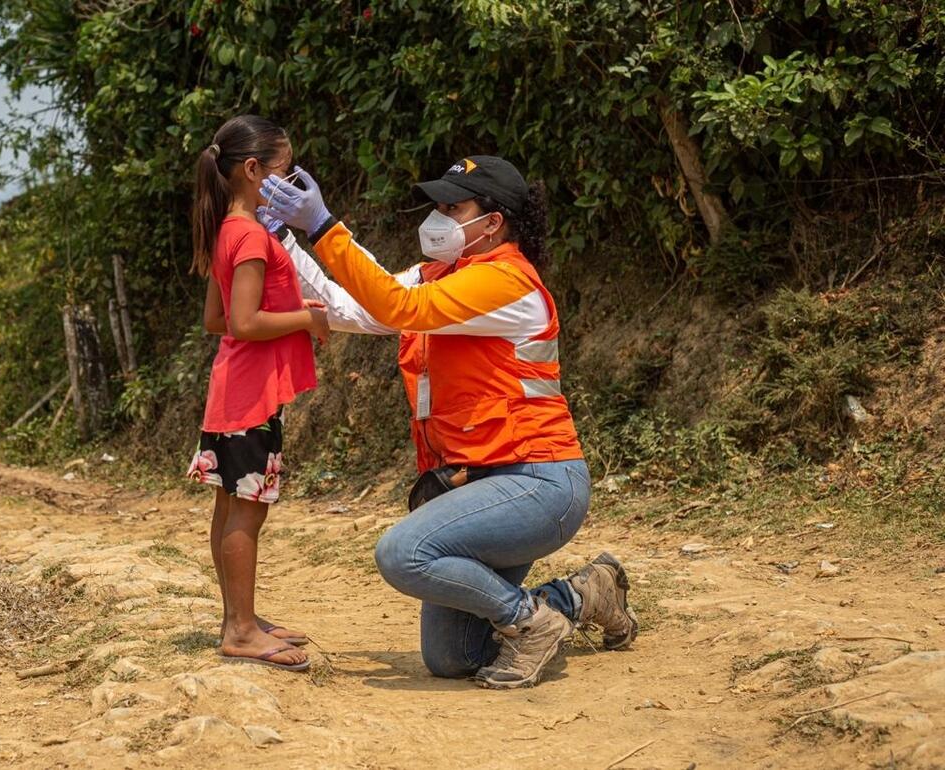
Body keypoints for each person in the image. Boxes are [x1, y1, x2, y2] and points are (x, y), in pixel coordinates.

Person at [260, 156, 637, 689]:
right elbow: (353, 307)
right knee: (453, 656)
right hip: (484, 484)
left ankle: (530, 622)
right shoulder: (439, 277)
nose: (438, 218)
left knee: (401, 554)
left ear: (493, 222)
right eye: (438, 205)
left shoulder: (506, 282)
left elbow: (398, 307)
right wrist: (286, 241)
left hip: (540, 482)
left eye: (453, 207)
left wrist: (322, 225)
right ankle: (581, 595)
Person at [186, 115, 329, 672]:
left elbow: (215, 318)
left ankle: (238, 618)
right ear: (252, 170)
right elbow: (243, 322)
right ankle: (241, 630)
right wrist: (306, 319)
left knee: (231, 505)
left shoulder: (230, 229)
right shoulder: (250, 236)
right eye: (283, 171)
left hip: (234, 389)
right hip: (252, 396)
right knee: (247, 513)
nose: (289, 183)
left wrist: (288, 313)